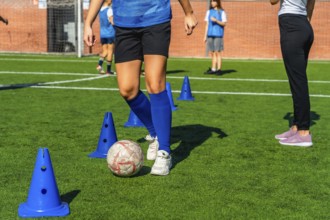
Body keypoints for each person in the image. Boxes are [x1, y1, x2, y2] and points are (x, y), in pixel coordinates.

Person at [84, 0, 197, 175]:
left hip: (156, 20)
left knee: (155, 84)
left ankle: (164, 152)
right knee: (127, 89)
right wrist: (88, 23)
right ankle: (155, 133)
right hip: (124, 25)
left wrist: (188, 12)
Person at [272, 0, 315, 147]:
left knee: (298, 81)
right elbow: (311, 3)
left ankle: (303, 132)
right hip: (303, 25)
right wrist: (304, 23)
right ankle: (296, 126)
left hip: (291, 26)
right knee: (296, 80)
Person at [204, 0, 227, 75]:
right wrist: (205, 36)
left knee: (218, 52)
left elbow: (224, 23)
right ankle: (213, 69)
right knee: (212, 52)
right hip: (210, 34)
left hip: (218, 34)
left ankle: (219, 69)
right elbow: (207, 24)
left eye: (214, 1)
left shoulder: (222, 12)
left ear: (217, 2)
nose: (212, 3)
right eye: (211, 2)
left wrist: (216, 20)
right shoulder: (209, 12)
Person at [96, 0, 115, 75]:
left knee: (105, 51)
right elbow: (112, 22)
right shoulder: (109, 10)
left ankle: (99, 65)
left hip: (103, 34)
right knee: (110, 51)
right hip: (110, 33)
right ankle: (108, 70)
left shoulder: (100, 10)